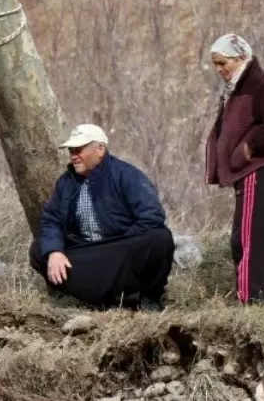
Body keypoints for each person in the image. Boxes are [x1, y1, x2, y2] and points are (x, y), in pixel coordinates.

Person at [29, 124, 176, 311]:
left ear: (100, 149)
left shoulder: (127, 175)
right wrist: (55, 252)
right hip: (88, 251)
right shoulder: (66, 182)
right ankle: (97, 297)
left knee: (160, 238)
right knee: (39, 249)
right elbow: (51, 220)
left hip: (122, 249)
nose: (73, 156)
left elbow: (152, 216)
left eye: (79, 150)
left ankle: (147, 296)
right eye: (71, 151)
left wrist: (124, 243)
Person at [204, 33, 264, 305]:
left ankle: (252, 299)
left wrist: (247, 150)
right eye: (216, 64)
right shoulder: (239, 85)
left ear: (240, 57)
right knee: (253, 237)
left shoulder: (258, 84)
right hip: (253, 172)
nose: (219, 70)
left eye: (223, 63)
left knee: (246, 239)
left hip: (261, 169)